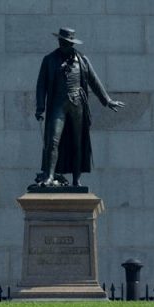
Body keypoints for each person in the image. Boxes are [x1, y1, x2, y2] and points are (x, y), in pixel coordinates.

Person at [34, 27, 125, 187]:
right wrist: (40, 108)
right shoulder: (49, 60)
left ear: (72, 43)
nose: (63, 45)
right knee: (53, 140)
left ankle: (76, 179)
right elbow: (41, 85)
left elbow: (94, 81)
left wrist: (107, 100)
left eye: (66, 42)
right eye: (61, 42)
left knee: (78, 142)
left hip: (77, 105)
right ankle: (49, 176)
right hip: (58, 104)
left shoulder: (82, 60)